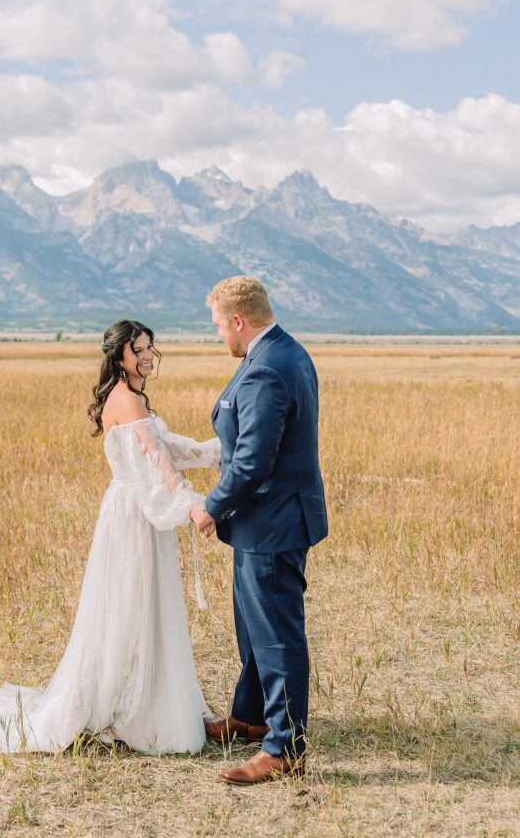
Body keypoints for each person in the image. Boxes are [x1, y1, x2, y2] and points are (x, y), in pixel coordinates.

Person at [0, 319, 219, 755]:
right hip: (133, 516)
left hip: (135, 513)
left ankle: (139, 701)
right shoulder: (126, 400)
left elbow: (167, 445)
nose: (149, 356)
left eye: (152, 348)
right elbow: (155, 463)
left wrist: (216, 451)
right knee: (129, 606)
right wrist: (192, 505)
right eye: (140, 349)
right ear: (120, 356)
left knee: (140, 604)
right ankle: (120, 708)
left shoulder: (131, 398)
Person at [198, 276, 327, 786]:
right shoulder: (284, 352)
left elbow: (252, 461)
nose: (219, 338)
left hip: (271, 523)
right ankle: (251, 718)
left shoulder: (267, 370)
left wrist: (211, 505)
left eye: (217, 328)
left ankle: (284, 748)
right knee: (254, 629)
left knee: (275, 636)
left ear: (238, 320)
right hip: (265, 521)